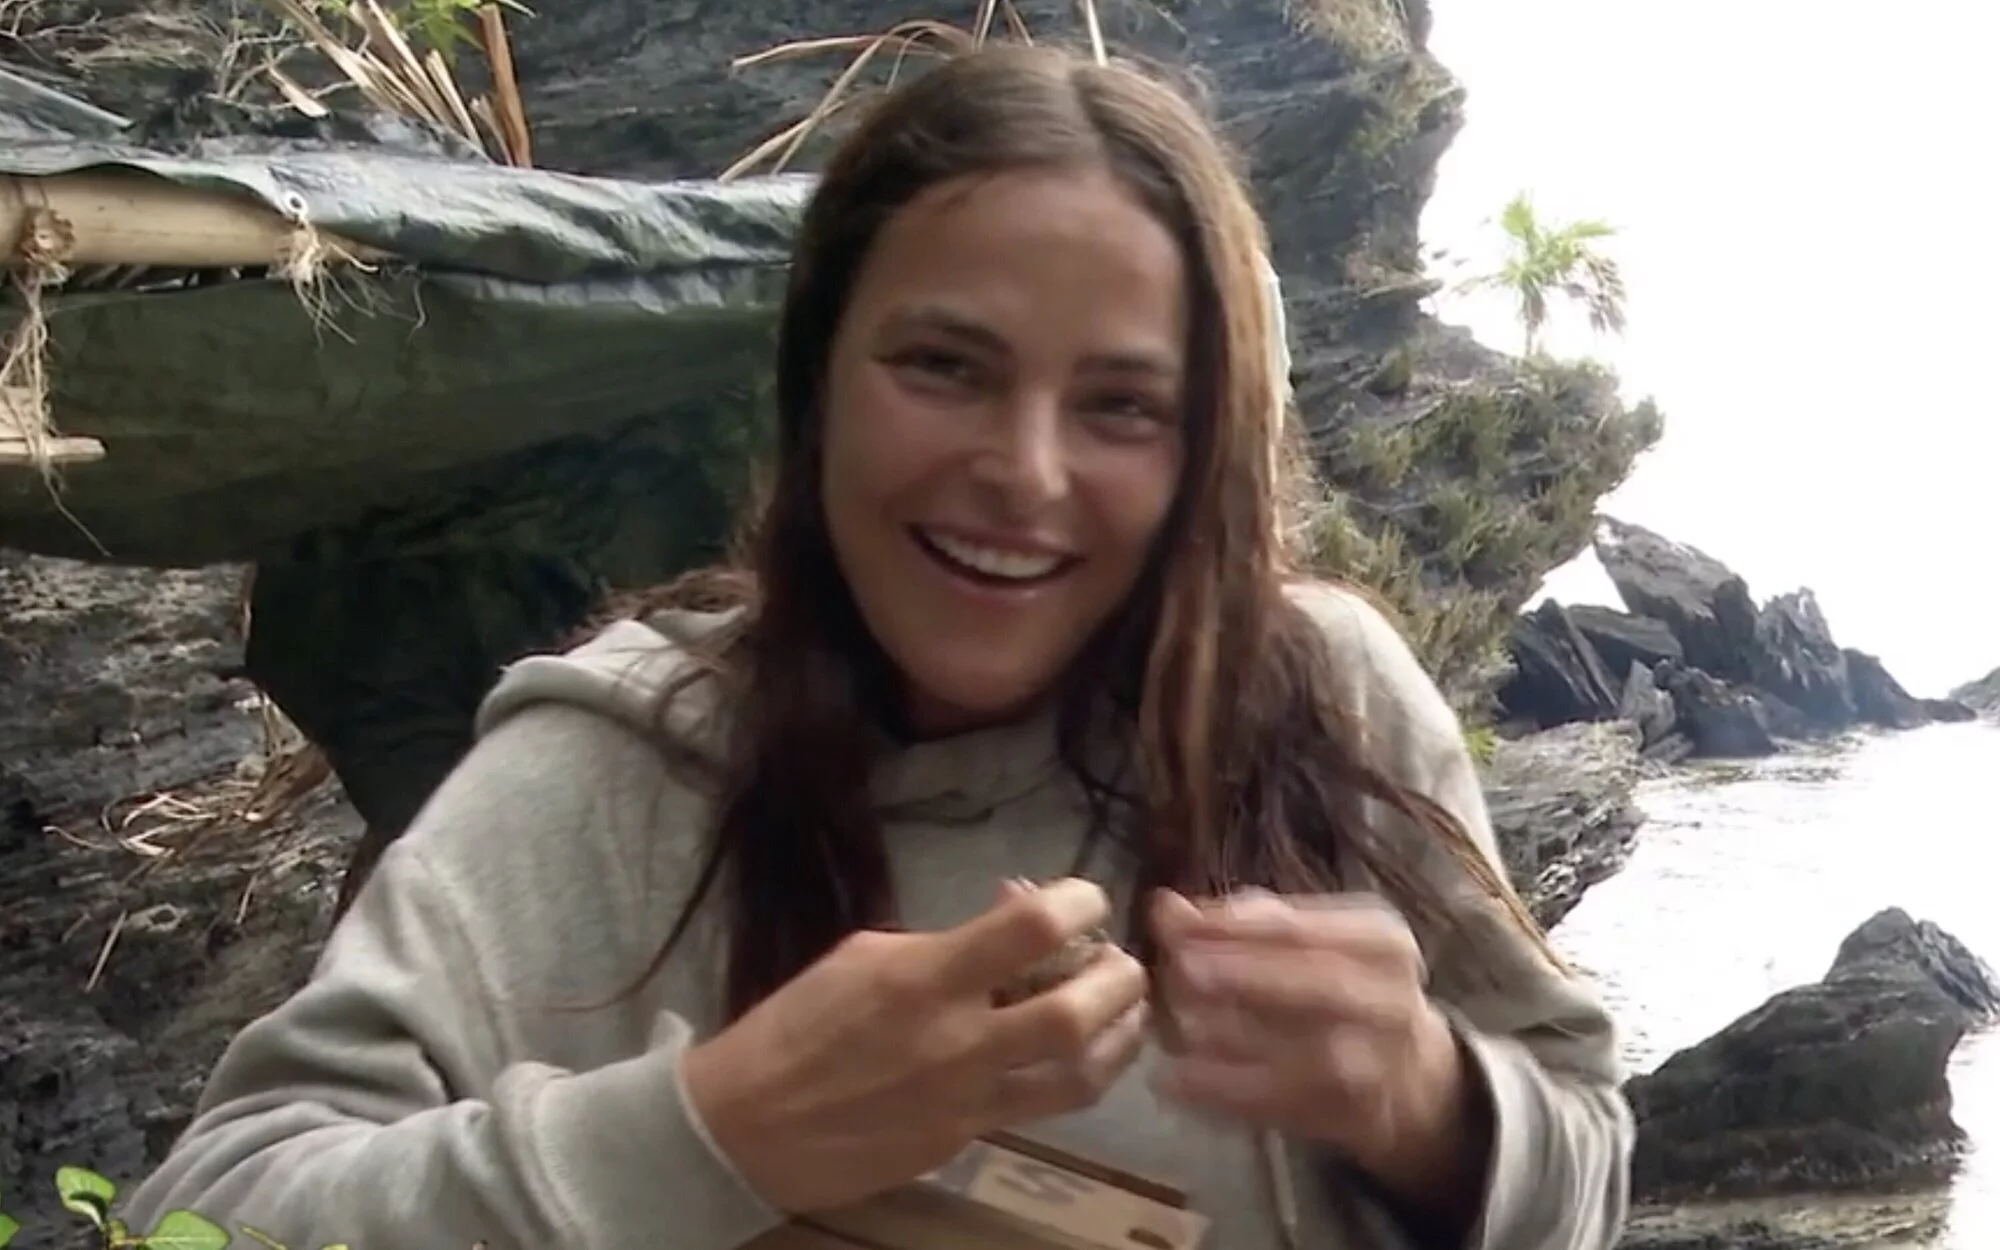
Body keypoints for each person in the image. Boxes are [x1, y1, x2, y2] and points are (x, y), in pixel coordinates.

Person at [121, 41, 1633, 1250]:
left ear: (1204, 453)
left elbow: (1584, 1163)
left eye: (1121, 406)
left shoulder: (1320, 698)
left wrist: (1430, 1102)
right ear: (816, 384)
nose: (1023, 472)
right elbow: (215, 1210)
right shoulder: (627, 759)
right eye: (944, 365)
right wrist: (716, 1130)